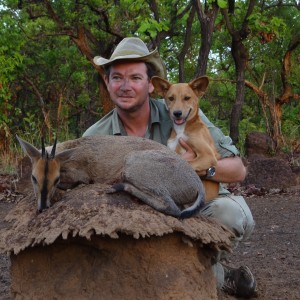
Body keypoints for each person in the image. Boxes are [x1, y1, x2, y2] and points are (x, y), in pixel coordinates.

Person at [83, 37, 257, 298]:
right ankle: (216, 277)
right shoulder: (95, 136)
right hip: (137, 215)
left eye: (135, 78)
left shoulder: (181, 110)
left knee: (232, 213)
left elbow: (237, 170)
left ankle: (200, 276)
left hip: (193, 207)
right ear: (107, 83)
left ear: (151, 85)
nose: (125, 86)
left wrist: (196, 169)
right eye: (117, 77)